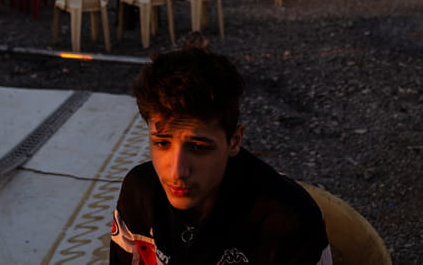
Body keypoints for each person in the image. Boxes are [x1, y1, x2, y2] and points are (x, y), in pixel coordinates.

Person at [110, 42, 333, 264]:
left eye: (198, 147)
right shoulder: (139, 194)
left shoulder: (289, 219)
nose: (177, 171)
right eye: (162, 143)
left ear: (234, 141)